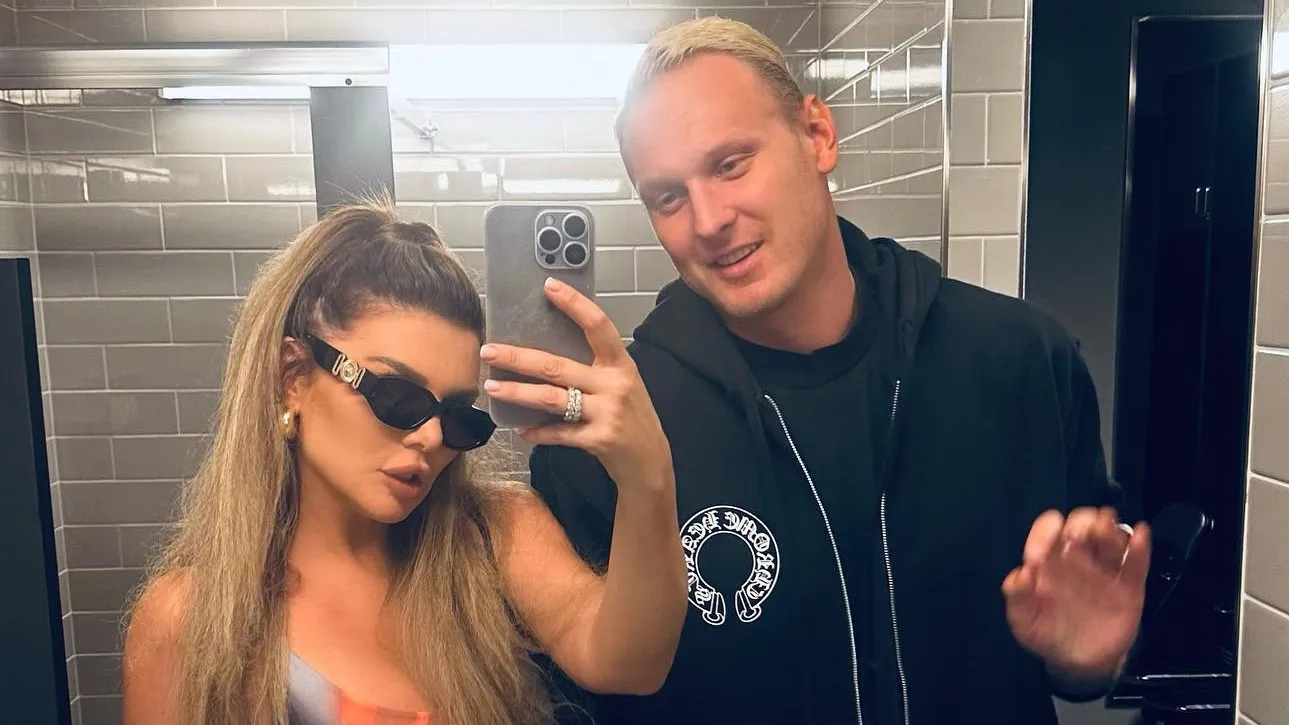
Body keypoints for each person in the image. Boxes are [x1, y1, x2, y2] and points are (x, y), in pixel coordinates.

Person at [527, 16, 1153, 725]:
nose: (707, 220)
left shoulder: (1019, 362)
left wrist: (1086, 658)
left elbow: (1075, 637)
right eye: (667, 197)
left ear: (817, 136)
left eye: (731, 164)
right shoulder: (612, 441)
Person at [120, 200, 686, 725]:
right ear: (292, 377)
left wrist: (647, 473)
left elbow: (628, 664)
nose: (432, 437)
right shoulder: (191, 621)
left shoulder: (493, 535)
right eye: (396, 397)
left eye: (458, 415)